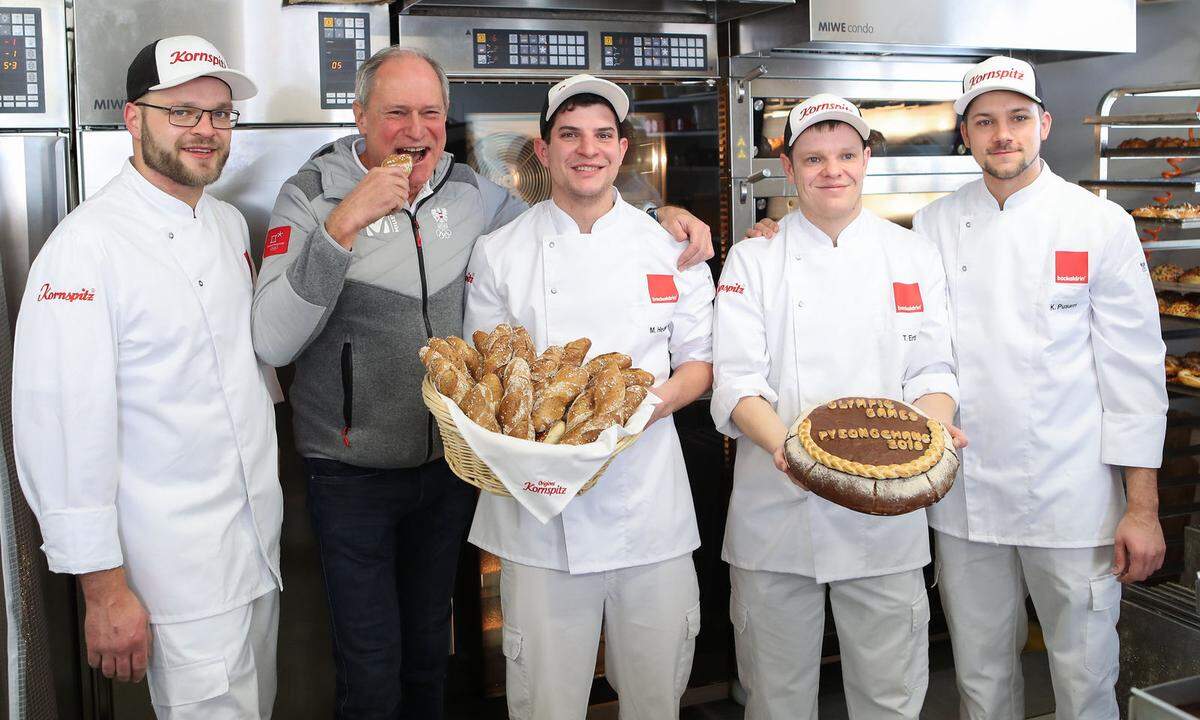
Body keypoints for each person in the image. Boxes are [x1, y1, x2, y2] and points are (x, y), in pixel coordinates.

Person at [250, 47, 714, 719]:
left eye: (431, 112)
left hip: (492, 479)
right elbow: (274, 341)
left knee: (430, 660)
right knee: (374, 666)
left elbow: (684, 340)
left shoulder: (471, 194)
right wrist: (345, 220)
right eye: (396, 112)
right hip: (370, 471)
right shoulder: (319, 196)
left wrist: (663, 210)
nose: (416, 130)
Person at [12, 36, 281, 719]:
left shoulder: (222, 224)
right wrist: (103, 591)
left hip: (256, 551)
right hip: (174, 572)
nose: (206, 131)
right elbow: (63, 431)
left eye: (220, 115)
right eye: (183, 112)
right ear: (134, 119)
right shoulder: (85, 248)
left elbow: (236, 376)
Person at [910, 56, 1167, 720]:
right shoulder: (932, 226)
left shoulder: (1099, 224)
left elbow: (1134, 374)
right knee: (980, 680)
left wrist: (1141, 508)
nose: (1004, 135)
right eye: (985, 121)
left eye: (1018, 119)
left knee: (1084, 679)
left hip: (1072, 496)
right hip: (965, 496)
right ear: (963, 133)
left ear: (1044, 125)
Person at [461, 72, 714, 720]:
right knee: (546, 704)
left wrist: (641, 410)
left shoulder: (672, 249)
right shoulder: (499, 254)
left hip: (649, 510)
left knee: (656, 701)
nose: (588, 149)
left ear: (623, 150)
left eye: (603, 135)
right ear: (543, 151)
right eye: (569, 135)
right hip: (541, 521)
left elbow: (702, 363)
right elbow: (488, 379)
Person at [711, 94, 964, 720]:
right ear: (790, 168)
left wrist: (929, 432)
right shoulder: (755, 257)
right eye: (815, 158)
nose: (833, 170)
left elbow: (932, 368)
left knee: (889, 697)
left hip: (887, 511)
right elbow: (738, 381)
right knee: (776, 699)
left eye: (847, 155)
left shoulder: (911, 255)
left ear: (867, 159)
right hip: (777, 513)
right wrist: (789, 452)